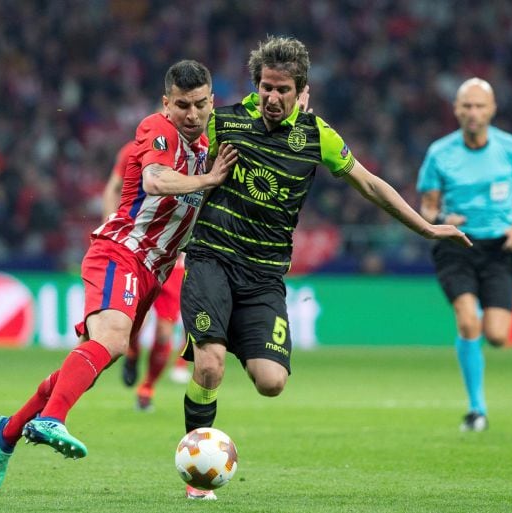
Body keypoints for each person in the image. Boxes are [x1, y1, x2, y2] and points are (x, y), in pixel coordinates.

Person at [178, 35, 472, 501]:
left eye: (283, 90)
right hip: (212, 257)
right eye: (266, 88)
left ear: (301, 92)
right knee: (209, 368)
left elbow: (371, 185)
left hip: (263, 277)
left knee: (272, 382)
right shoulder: (225, 121)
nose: (273, 98)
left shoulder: (317, 136)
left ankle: (223, 331)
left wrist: (427, 228)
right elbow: (176, 145)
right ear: (256, 85)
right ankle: (196, 479)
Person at [0, 59, 239, 491]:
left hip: (155, 269)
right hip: (121, 251)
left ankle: (7, 432)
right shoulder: (158, 129)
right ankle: (51, 419)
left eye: (199, 105)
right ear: (166, 103)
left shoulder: (211, 142)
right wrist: (210, 180)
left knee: (89, 361)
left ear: (212, 102)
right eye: (182, 105)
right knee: (114, 340)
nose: (191, 115)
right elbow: (155, 181)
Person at [417, 77, 512, 432]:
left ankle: (476, 321)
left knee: (497, 335)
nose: (473, 112)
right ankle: (477, 409)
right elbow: (427, 209)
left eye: (479, 106)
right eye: (467, 106)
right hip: (455, 244)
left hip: (498, 248)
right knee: (467, 320)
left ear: (492, 110)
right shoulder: (439, 153)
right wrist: (443, 219)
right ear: (456, 110)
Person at [101, 139, 191, 412]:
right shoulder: (132, 150)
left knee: (165, 333)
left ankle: (147, 387)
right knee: (133, 321)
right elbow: (112, 189)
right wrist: (110, 225)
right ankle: (132, 352)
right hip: (138, 253)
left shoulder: (194, 154)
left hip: (173, 259)